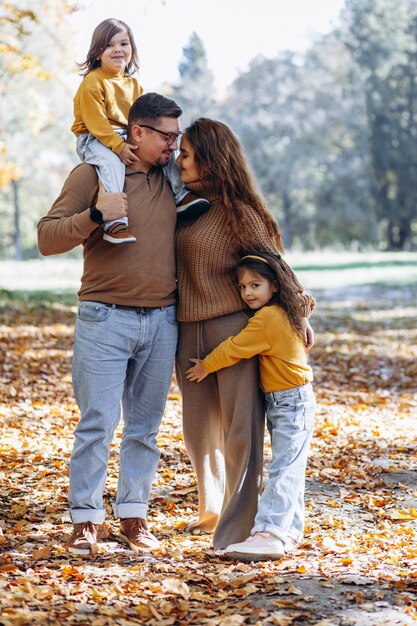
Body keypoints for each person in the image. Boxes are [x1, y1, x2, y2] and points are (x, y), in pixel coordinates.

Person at [38, 92, 184, 555]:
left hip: (163, 321)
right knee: (98, 423)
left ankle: (134, 516)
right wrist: (97, 214)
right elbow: (46, 237)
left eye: (178, 138)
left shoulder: (173, 179)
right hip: (104, 318)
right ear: (136, 132)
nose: (174, 147)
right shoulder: (94, 174)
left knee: (145, 428)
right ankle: (85, 519)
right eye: (166, 136)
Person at [174, 118, 316, 551]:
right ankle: (212, 510)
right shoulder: (185, 206)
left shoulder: (240, 213)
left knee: (240, 432)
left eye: (186, 154)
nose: (179, 161)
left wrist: (301, 310)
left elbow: (275, 264)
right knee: (198, 430)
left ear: (211, 159)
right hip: (187, 329)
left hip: (233, 328)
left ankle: (239, 526)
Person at [185, 251, 316, 561]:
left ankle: (270, 533)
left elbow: (235, 348)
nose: (247, 293)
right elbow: (305, 302)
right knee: (291, 465)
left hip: (292, 401)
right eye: (242, 286)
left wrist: (206, 366)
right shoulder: (281, 311)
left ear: (274, 286)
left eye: (255, 285)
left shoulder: (268, 319)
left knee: (285, 467)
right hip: (286, 399)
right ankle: (289, 531)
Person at [72, 18, 209, 245]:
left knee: (163, 146)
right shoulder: (92, 82)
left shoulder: (133, 85)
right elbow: (96, 123)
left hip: (125, 134)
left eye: (123, 44)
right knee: (112, 163)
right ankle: (115, 222)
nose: (117, 49)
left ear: (132, 50)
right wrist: (118, 147)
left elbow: (142, 121)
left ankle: (180, 195)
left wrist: (149, 140)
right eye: (109, 45)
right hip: (94, 138)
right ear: (97, 53)